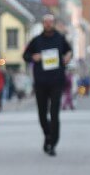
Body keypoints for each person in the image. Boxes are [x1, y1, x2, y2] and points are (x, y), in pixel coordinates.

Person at [23, 14, 72, 156]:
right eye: (46, 22)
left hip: (57, 80)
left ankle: (53, 142)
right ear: (43, 24)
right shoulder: (36, 40)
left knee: (54, 113)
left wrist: (68, 56)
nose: (48, 24)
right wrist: (33, 57)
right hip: (41, 82)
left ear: (54, 23)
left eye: (50, 22)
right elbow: (25, 55)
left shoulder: (60, 38)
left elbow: (69, 51)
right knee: (42, 114)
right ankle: (48, 135)